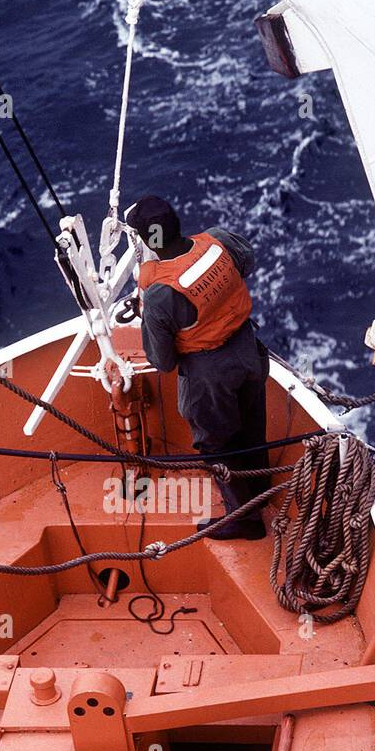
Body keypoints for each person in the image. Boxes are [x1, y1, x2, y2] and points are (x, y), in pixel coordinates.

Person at [125, 196, 269, 540]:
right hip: (248, 349)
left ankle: (246, 519)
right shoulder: (218, 240)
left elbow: (163, 361)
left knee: (217, 443)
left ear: (151, 240)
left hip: (209, 374)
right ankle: (260, 481)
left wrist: (152, 317)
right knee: (251, 420)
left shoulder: (160, 295)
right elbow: (246, 261)